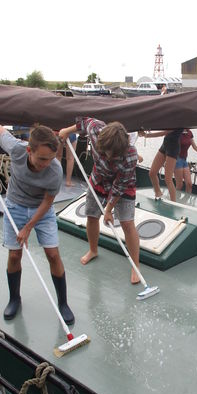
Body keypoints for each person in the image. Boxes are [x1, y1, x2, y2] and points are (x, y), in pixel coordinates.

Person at [0, 123, 74, 323]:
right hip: (15, 206)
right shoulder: (16, 148)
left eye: (51, 158)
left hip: (41, 211)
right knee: (14, 255)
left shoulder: (54, 170)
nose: (46, 163)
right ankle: (14, 299)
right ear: (29, 151)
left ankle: (63, 303)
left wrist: (28, 227)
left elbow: (47, 202)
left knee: (53, 255)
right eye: (42, 158)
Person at [59, 118, 141, 285]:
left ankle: (135, 266)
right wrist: (67, 131)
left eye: (113, 155)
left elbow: (119, 186)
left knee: (127, 223)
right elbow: (84, 122)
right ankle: (93, 250)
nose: (109, 156)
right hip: (99, 179)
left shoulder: (130, 155)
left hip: (123, 186)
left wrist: (109, 209)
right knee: (92, 216)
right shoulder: (96, 129)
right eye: (106, 152)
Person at [139, 128, 183, 201]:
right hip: (165, 144)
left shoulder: (178, 123)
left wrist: (146, 135)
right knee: (152, 173)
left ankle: (173, 202)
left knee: (168, 179)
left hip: (173, 148)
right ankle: (158, 193)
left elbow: (163, 133)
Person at [174, 129, 197, 193]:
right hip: (176, 159)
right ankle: (174, 198)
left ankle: (185, 199)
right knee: (179, 185)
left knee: (189, 184)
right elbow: (169, 145)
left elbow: (194, 146)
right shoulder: (177, 132)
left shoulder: (189, 132)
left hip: (184, 160)